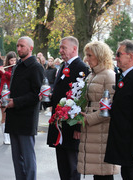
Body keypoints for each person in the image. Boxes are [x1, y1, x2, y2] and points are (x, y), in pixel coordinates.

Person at [105, 40, 133, 180]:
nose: (116, 58)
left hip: (132, 147)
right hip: (124, 144)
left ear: (130, 56)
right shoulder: (125, 76)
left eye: (119, 54)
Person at [46, 36, 89, 180]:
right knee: (63, 165)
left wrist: (78, 127)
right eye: (60, 47)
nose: (60, 51)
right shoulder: (63, 66)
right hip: (60, 123)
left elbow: (82, 98)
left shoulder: (81, 68)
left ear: (74, 49)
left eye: (64, 47)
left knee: (72, 167)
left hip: (71, 125)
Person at [77, 41, 119, 179]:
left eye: (90, 55)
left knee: (104, 174)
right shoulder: (91, 75)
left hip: (102, 131)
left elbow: (110, 107)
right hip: (92, 132)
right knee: (97, 173)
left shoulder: (109, 75)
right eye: (86, 55)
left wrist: (88, 119)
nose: (87, 59)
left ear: (100, 56)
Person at [5, 36, 44, 180]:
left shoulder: (36, 67)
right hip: (14, 117)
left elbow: (37, 95)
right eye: (17, 46)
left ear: (31, 48)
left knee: (27, 158)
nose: (19, 49)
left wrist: (16, 102)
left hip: (26, 118)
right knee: (17, 159)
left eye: (22, 46)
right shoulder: (17, 66)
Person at [0, 51, 17, 145]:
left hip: (13, 94)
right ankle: (5, 137)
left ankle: (12, 136)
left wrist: (4, 72)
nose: (13, 62)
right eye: (11, 60)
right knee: (4, 116)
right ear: (8, 60)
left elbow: (13, 78)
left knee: (13, 116)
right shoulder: (3, 68)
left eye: (14, 60)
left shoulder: (16, 69)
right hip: (3, 95)